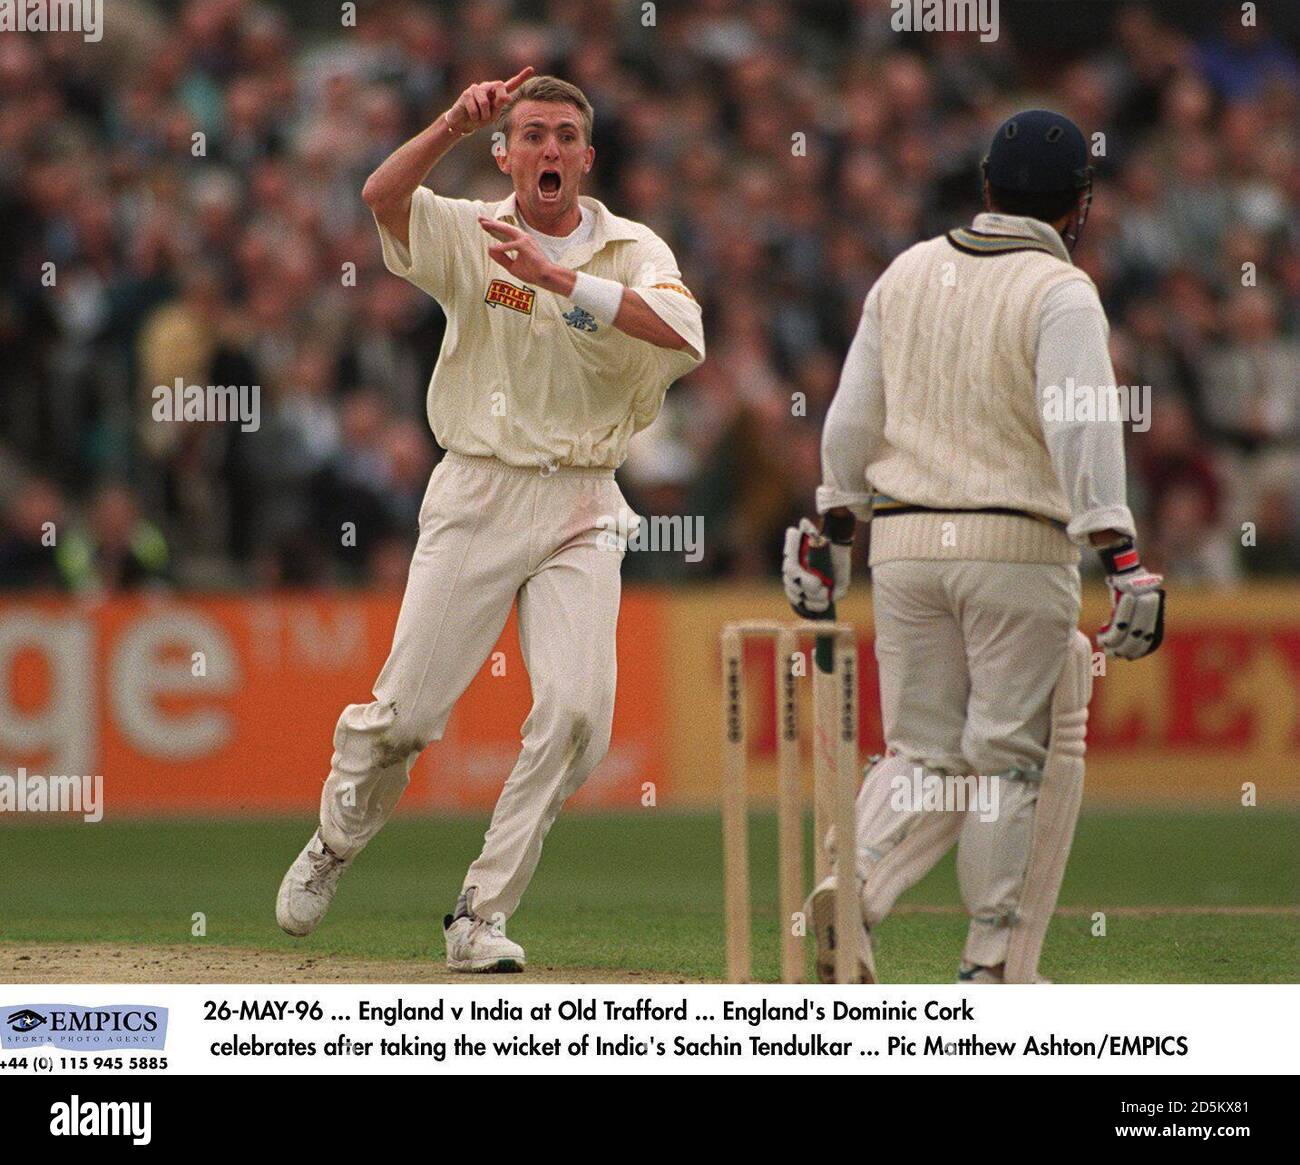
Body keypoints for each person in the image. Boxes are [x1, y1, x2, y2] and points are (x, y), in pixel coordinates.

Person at [276, 70, 704, 972]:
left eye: (564, 137)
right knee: (404, 721)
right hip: (478, 489)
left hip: (585, 498)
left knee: (579, 714)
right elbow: (381, 196)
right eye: (531, 134)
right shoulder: (472, 228)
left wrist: (559, 279)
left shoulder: (630, 247)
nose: (548, 149)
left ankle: (479, 913)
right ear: (505, 153)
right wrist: (448, 125)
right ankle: (335, 842)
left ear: (586, 158)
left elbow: (684, 333)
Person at [782, 110, 1165, 983]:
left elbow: (850, 417)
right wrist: (1123, 557)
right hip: (1016, 545)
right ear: (1080, 207)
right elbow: (1082, 426)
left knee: (922, 751)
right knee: (1008, 758)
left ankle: (857, 880)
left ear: (987, 187)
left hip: (906, 545)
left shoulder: (907, 270)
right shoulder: (1060, 291)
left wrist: (834, 528)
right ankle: (992, 963)